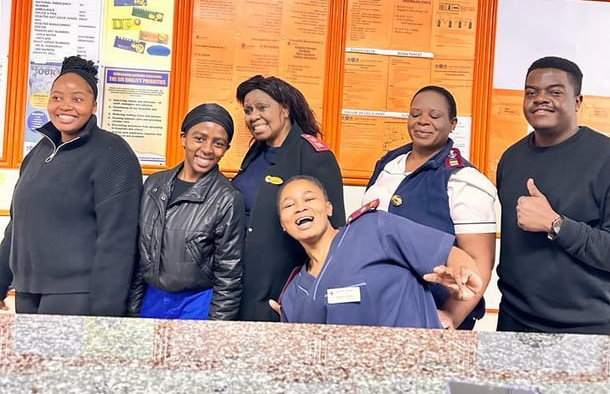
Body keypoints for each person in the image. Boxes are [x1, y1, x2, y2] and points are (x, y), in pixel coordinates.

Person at [0, 56, 142, 316]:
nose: (65, 106)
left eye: (77, 99)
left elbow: (117, 239)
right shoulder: (39, 152)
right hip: (28, 291)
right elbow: (17, 225)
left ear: (94, 105)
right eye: (57, 97)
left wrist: (106, 314)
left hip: (78, 294)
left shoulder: (112, 153)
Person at [497, 56, 610, 334]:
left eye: (555, 92)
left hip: (585, 328)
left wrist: (556, 224)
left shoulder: (608, 158)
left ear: (577, 101)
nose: (540, 99)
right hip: (513, 321)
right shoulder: (511, 158)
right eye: (531, 92)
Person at [363, 85, 496, 329]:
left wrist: (451, 316)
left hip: (431, 312)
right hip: (378, 306)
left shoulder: (464, 179)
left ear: (453, 124)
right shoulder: (388, 164)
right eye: (415, 114)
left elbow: (480, 263)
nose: (423, 121)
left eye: (435, 116)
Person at [275, 176, 483, 328]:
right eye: (289, 205)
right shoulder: (293, 296)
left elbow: (449, 254)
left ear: (329, 208)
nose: (300, 207)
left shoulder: (375, 228)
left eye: (309, 199)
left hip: (416, 369)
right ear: (283, 224)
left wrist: (460, 279)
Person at [232, 75, 345, 321]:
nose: (253, 116)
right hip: (242, 284)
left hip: (281, 290)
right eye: (248, 110)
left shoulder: (312, 154)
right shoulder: (256, 153)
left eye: (262, 107)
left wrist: (308, 296)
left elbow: (333, 234)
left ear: (285, 109)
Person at [128, 103, 244, 320]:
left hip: (197, 304)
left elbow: (229, 273)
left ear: (226, 149)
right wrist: (133, 310)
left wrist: (217, 327)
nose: (207, 149)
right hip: (151, 299)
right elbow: (139, 255)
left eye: (218, 143)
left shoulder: (227, 198)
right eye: (199, 138)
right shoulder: (154, 185)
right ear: (184, 138)